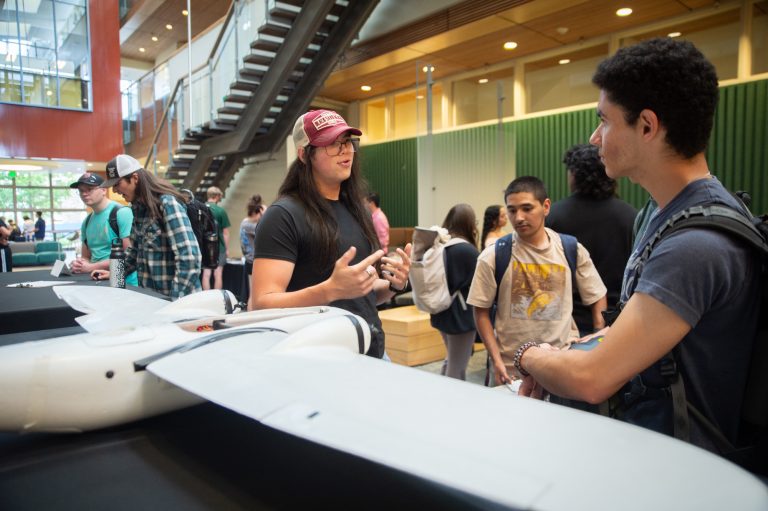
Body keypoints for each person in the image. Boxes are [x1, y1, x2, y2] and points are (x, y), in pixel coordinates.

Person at [516, 38, 761, 455]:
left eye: (605, 121)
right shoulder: (659, 214)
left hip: (684, 468)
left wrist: (529, 355)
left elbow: (593, 379)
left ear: (647, 126)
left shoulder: (694, 247)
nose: (595, 137)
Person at [249, 109, 411, 359]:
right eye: (333, 144)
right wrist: (330, 290)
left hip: (370, 349)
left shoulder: (359, 211)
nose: (345, 151)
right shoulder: (283, 215)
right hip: (315, 357)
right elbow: (261, 303)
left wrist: (393, 284)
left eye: (347, 142)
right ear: (304, 154)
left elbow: (361, 294)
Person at [467, 176, 607, 386]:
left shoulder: (571, 249)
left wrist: (597, 341)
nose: (519, 217)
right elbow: (480, 310)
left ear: (546, 206)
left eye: (527, 208)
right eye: (512, 210)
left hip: (563, 361)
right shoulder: (494, 255)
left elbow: (597, 295)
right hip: (512, 369)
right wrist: (496, 360)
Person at [546, 144, 637, 334]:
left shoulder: (553, 216)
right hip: (619, 319)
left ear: (573, 175)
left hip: (566, 321)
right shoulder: (630, 217)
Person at [94, 154, 201, 299]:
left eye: (117, 184)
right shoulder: (138, 209)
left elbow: (189, 258)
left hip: (177, 302)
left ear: (135, 178)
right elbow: (134, 252)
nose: (115, 190)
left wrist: (175, 301)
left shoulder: (167, 203)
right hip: (152, 299)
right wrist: (115, 274)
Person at [430, 203, 480, 380]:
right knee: (457, 368)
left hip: (442, 310)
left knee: (450, 359)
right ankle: (453, 403)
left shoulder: (442, 245)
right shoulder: (467, 250)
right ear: (469, 223)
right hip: (461, 316)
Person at [68, 172, 138, 286]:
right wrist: (80, 264)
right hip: (96, 280)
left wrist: (91, 267)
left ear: (104, 190)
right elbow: (86, 256)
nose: (84, 194)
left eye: (90, 189)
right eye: (81, 190)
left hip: (123, 282)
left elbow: (129, 255)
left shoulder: (122, 213)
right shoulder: (87, 221)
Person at [201, 186, 231, 290]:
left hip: (205, 247)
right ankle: (217, 299)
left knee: (206, 274)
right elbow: (226, 233)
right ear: (217, 196)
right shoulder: (221, 211)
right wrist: (227, 249)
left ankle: (206, 299)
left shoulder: (201, 208)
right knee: (218, 274)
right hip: (219, 246)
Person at [240, 194, 265, 276]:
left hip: (250, 260)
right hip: (254, 261)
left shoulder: (245, 221)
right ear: (258, 213)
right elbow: (268, 231)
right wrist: (265, 215)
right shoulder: (250, 226)